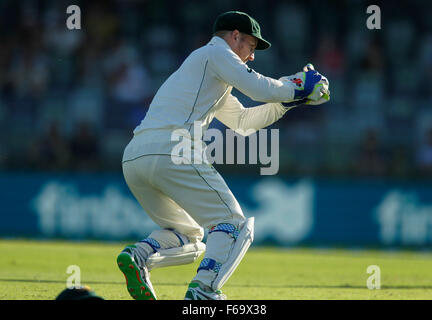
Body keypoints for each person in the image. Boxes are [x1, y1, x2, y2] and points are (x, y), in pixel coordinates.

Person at [116, 11, 330, 300]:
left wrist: (291, 101)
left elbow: (243, 122)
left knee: (191, 237)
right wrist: (296, 84)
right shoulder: (216, 54)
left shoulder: (206, 71)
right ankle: (204, 289)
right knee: (234, 224)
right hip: (172, 149)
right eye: (251, 47)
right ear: (235, 37)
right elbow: (258, 88)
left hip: (135, 157)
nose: (252, 56)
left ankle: (140, 255)